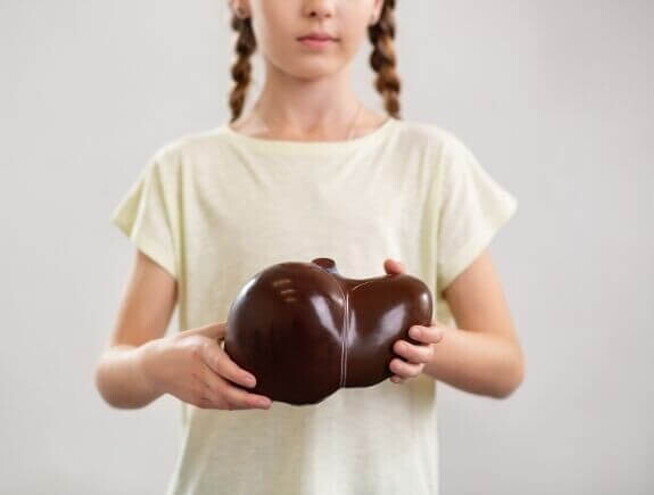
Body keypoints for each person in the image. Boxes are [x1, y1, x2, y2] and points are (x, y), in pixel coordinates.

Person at [94, 0, 526, 494]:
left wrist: (420, 344)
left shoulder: (431, 163)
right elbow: (115, 373)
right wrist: (158, 365)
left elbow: (505, 367)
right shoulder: (185, 171)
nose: (320, 7)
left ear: (378, 6)